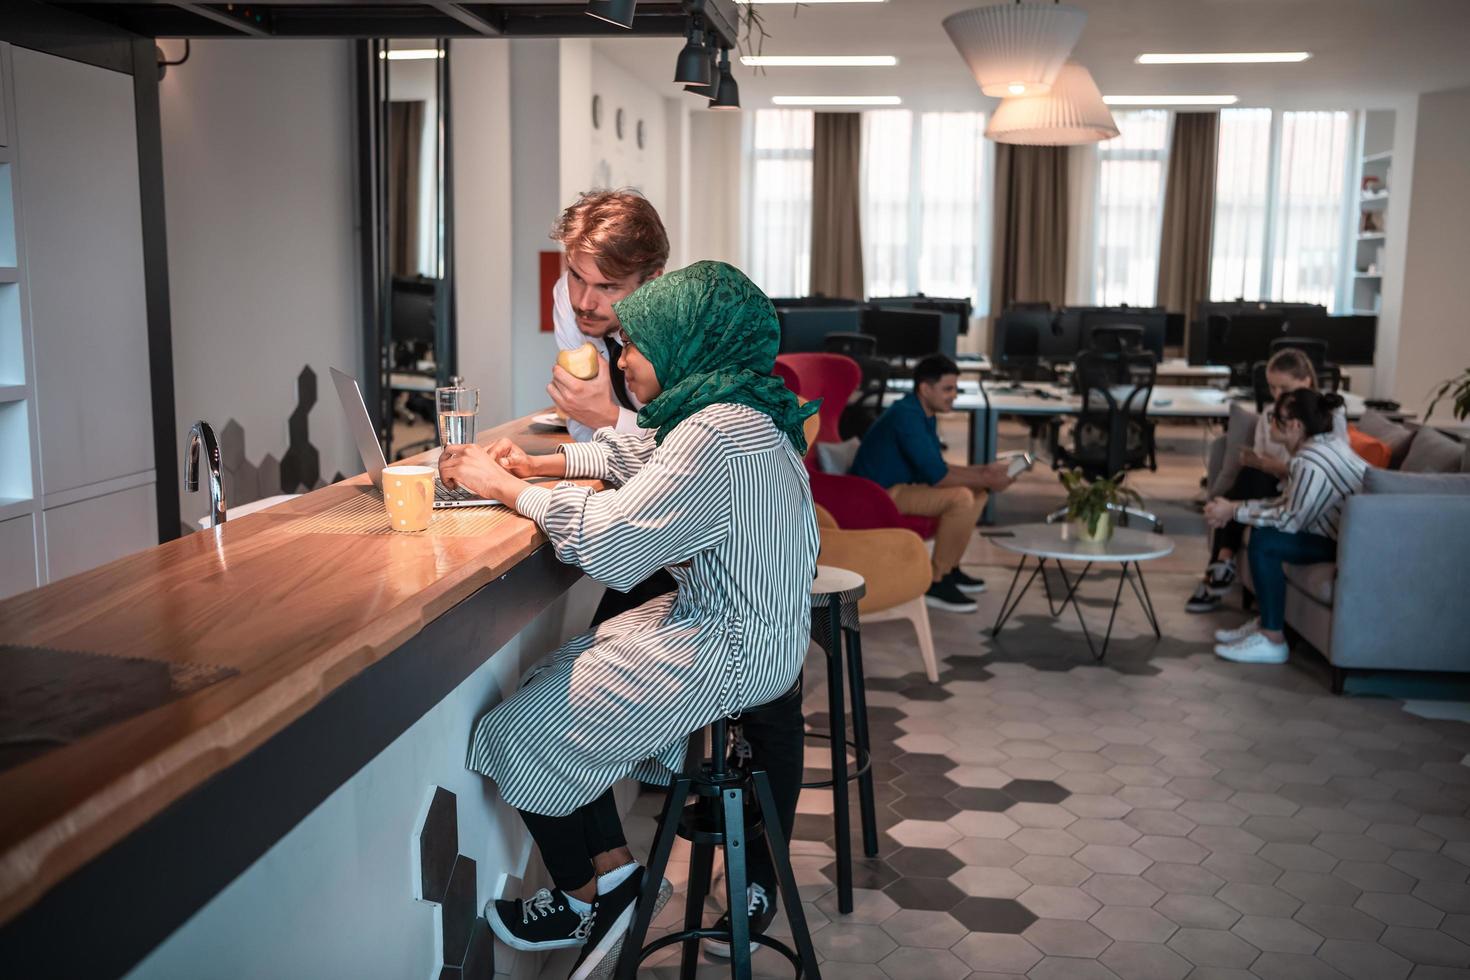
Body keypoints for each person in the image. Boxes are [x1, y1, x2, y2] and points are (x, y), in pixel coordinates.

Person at [440, 261, 819, 979]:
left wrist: (509, 487)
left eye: (636, 346)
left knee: (512, 731)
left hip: (729, 646)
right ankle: (616, 881)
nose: (624, 361)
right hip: (749, 634)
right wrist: (546, 463)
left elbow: (615, 544)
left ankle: (590, 894)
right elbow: (643, 453)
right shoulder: (734, 411)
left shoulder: (718, 435)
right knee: (551, 676)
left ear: (683, 345)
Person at [547, 190, 679, 629]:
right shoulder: (571, 299)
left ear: (653, 280)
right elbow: (581, 422)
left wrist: (607, 417)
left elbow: (692, 461)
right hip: (641, 512)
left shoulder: (683, 331)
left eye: (607, 287)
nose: (584, 302)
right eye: (577, 276)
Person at [1206, 388, 1366, 665]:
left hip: (1347, 546)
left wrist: (1234, 511)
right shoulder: (1323, 445)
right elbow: (1285, 504)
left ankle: (1272, 639)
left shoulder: (1309, 462)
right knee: (1262, 532)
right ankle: (1267, 624)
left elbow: (1289, 521)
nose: (1269, 426)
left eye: (1275, 419)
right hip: (1341, 538)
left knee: (1265, 542)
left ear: (1295, 426)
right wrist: (1234, 511)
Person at [848, 353, 1015, 614]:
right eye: (948, 389)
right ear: (925, 388)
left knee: (978, 492)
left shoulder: (923, 412)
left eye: (955, 389)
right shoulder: (907, 416)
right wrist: (986, 476)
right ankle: (935, 582)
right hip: (879, 494)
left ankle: (949, 569)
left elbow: (935, 467)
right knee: (960, 496)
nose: (954, 395)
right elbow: (939, 476)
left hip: (902, 486)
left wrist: (983, 473)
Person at [1186, 347, 1348, 613]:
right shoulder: (1271, 416)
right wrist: (1264, 465)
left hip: (1305, 495)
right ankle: (1223, 562)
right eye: (1272, 388)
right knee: (1249, 477)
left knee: (1248, 484)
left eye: (1283, 387)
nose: (1277, 395)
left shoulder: (1326, 422)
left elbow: (1317, 471)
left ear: (1306, 381)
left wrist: (1272, 466)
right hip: (1271, 485)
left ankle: (1220, 566)